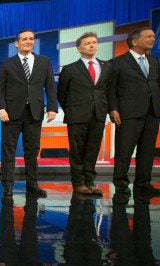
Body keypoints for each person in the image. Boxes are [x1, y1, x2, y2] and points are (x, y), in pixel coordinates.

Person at [0, 29, 58, 198]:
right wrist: (1, 108)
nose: (28, 41)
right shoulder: (6, 63)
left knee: (32, 151)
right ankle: (8, 185)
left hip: (35, 112)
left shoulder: (44, 62)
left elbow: (50, 87)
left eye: (31, 39)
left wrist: (52, 107)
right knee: (9, 151)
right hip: (11, 113)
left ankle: (33, 184)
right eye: (24, 39)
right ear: (17, 43)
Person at [108, 27, 160, 197]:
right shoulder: (117, 62)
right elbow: (111, 89)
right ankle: (121, 184)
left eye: (154, 36)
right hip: (128, 113)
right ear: (135, 41)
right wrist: (113, 109)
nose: (153, 39)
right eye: (149, 36)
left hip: (153, 112)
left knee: (147, 150)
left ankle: (143, 184)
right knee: (124, 149)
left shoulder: (154, 60)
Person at [57, 32, 111, 197]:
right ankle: (78, 183)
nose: (92, 45)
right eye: (87, 43)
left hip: (98, 115)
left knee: (92, 150)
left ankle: (89, 182)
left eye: (94, 42)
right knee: (77, 151)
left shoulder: (107, 66)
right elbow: (61, 94)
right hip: (77, 116)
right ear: (79, 48)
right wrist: (72, 110)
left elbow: (108, 91)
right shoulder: (70, 69)